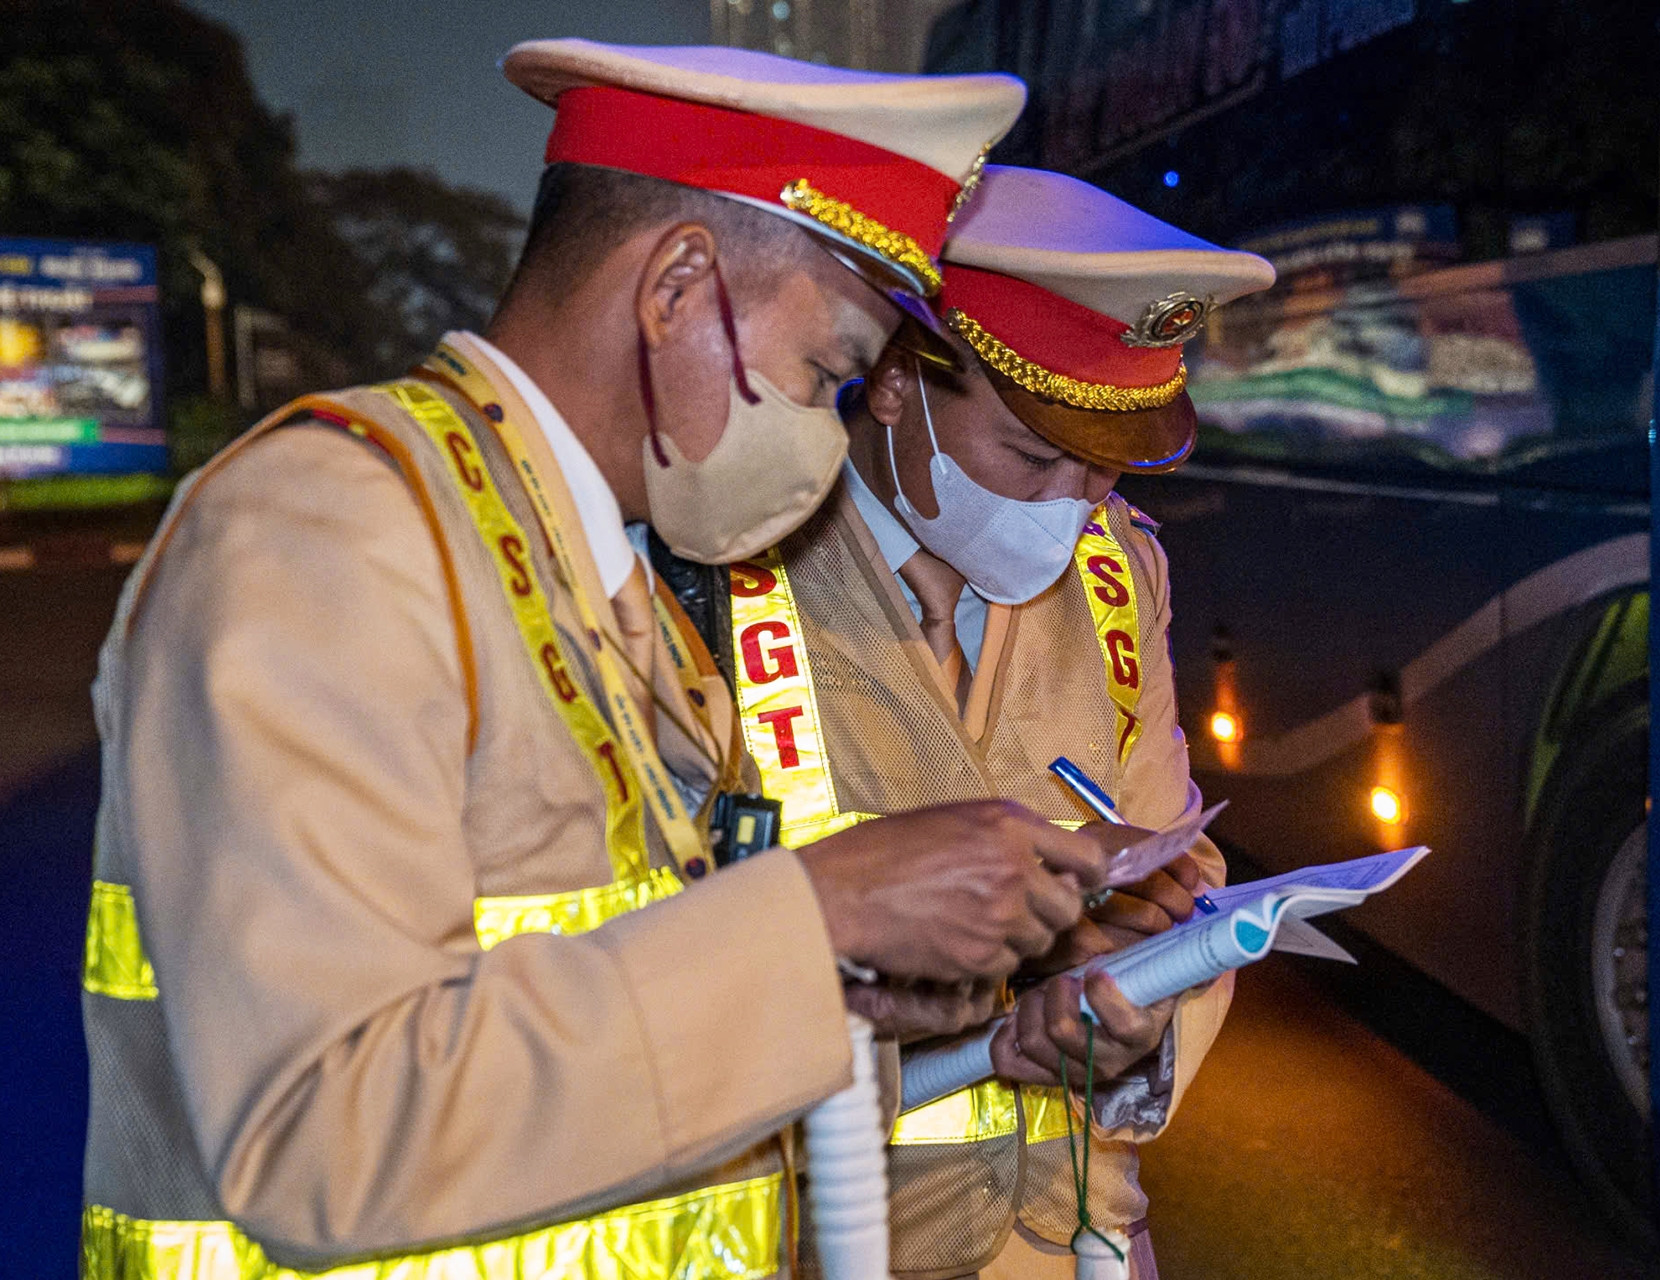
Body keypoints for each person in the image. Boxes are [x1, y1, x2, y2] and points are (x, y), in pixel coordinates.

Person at [78, 45, 1112, 1278]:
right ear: (676, 286)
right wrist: (818, 910)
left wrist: (862, 981)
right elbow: (323, 1131)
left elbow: (602, 1018)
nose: (826, 440)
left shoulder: (611, 588)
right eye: (824, 375)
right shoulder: (333, 530)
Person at [707, 165, 1275, 1278]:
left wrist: (1144, 1005)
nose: (1070, 504)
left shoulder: (1121, 572)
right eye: (1031, 455)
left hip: (1080, 1235)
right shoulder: (717, 570)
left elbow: (1178, 862)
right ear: (892, 381)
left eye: (1102, 466)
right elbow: (654, 951)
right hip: (827, 1242)